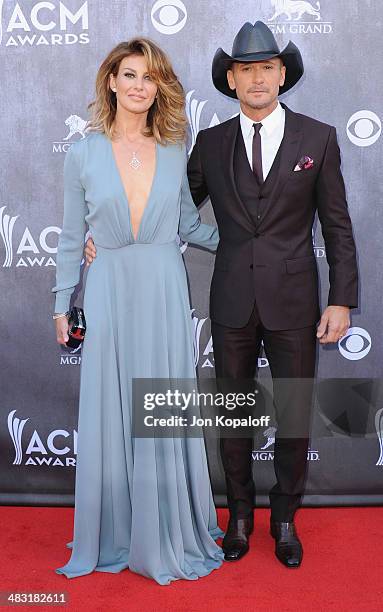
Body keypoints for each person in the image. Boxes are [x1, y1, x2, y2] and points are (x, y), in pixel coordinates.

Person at [85, 22, 359, 568]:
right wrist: (107, 232)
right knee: (233, 416)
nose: (257, 79)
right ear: (231, 79)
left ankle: (283, 519)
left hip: (296, 300)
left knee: (295, 412)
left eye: (267, 68)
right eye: (246, 69)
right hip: (231, 296)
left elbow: (338, 226)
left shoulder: (318, 137)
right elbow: (166, 201)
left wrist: (341, 298)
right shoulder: (208, 145)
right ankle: (237, 516)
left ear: (282, 75)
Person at [52, 38, 224, 585]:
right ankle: (116, 528)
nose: (138, 86)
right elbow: (71, 237)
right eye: (129, 75)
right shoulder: (82, 152)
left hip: (161, 285)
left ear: (159, 87)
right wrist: (63, 303)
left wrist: (257, 241)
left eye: (149, 77)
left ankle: (165, 528)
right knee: (110, 405)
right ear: (111, 81)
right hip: (107, 285)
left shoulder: (176, 145)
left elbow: (189, 226)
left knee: (159, 403)